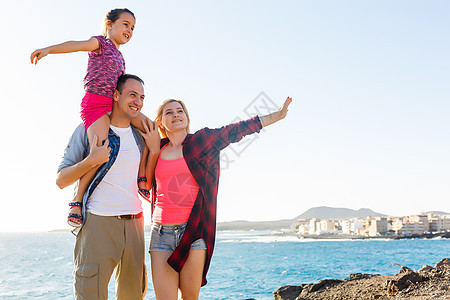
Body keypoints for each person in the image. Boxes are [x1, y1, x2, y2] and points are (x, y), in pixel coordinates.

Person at [148, 97, 292, 299]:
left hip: (193, 231)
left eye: (180, 111)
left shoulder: (202, 141)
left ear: (187, 118)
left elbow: (236, 130)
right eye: (169, 112)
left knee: (189, 297)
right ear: (161, 121)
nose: (175, 115)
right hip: (160, 233)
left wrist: (275, 116)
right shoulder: (156, 149)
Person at [30, 8, 151, 227]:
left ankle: (142, 176)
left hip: (113, 105)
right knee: (100, 151)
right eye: (125, 24)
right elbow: (75, 45)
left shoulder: (121, 57)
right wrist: (48, 49)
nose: (129, 30)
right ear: (109, 24)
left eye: (132, 28)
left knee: (150, 128)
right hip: (96, 105)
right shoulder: (100, 44)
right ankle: (77, 201)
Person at [56, 74, 160, 299]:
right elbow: (61, 179)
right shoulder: (89, 128)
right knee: (90, 293)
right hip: (98, 223)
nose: (138, 102)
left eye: (142, 97)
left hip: (135, 224)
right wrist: (91, 160)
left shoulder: (142, 134)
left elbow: (149, 182)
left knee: (133, 294)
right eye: (132, 95)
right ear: (115, 95)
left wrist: (154, 149)